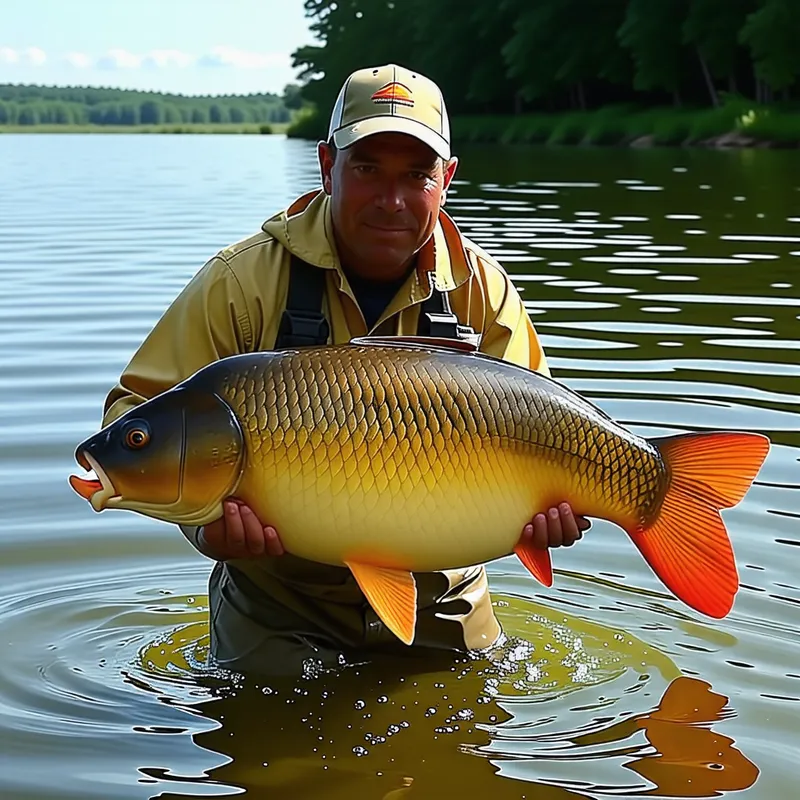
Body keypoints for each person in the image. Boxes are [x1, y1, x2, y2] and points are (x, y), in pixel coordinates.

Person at [101, 63, 590, 675]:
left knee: (463, 734)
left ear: (447, 178)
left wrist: (553, 516)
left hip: (445, 587)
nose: (392, 201)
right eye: (367, 170)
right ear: (328, 165)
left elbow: (546, 426)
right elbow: (135, 417)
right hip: (277, 594)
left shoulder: (481, 292)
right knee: (264, 742)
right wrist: (208, 530)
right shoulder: (242, 282)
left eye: (416, 175)